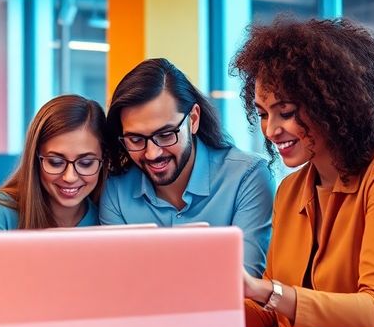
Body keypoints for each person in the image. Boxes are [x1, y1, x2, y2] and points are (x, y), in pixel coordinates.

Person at [232, 17, 374, 327]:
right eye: (262, 113)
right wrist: (199, 309)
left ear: (333, 105)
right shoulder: (290, 190)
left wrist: (265, 291)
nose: (271, 130)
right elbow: (272, 308)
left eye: (285, 112)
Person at [100, 58, 274, 277]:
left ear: (193, 119)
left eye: (165, 135)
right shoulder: (116, 190)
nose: (152, 153)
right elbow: (119, 283)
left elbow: (245, 287)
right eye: (135, 140)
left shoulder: (247, 177)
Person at [0, 95, 107, 230]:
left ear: (103, 160)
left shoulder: (108, 218)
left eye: (86, 163)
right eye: (55, 162)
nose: (69, 177)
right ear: (35, 159)